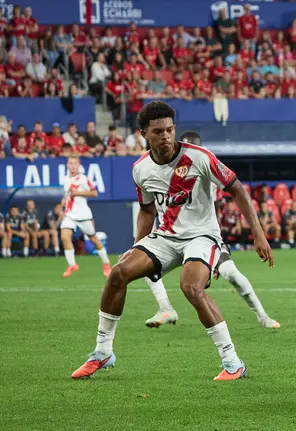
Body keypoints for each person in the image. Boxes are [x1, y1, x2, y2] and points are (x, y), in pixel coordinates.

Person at [71, 102, 274, 381]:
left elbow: (236, 188)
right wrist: (136, 246)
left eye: (169, 130)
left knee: (190, 287)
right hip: (166, 237)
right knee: (118, 274)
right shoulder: (140, 169)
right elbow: (146, 209)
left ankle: (232, 361)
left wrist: (258, 233)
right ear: (144, 134)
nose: (165, 136)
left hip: (203, 235)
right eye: (158, 131)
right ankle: (102, 351)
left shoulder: (199, 157)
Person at [142, 130, 280, 330]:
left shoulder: (205, 166)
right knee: (146, 266)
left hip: (203, 236)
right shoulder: (164, 170)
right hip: (171, 238)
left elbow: (234, 189)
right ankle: (165, 308)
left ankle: (263, 316)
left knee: (232, 274)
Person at [60, 157, 112, 278]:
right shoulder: (65, 179)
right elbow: (68, 194)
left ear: (79, 166)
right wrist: (64, 199)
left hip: (83, 215)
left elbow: (94, 193)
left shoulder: (83, 179)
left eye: (75, 163)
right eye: (70, 163)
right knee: (64, 236)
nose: (72, 166)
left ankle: (106, 263)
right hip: (69, 214)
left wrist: (78, 193)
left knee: (94, 240)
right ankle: (72, 264)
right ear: (67, 165)